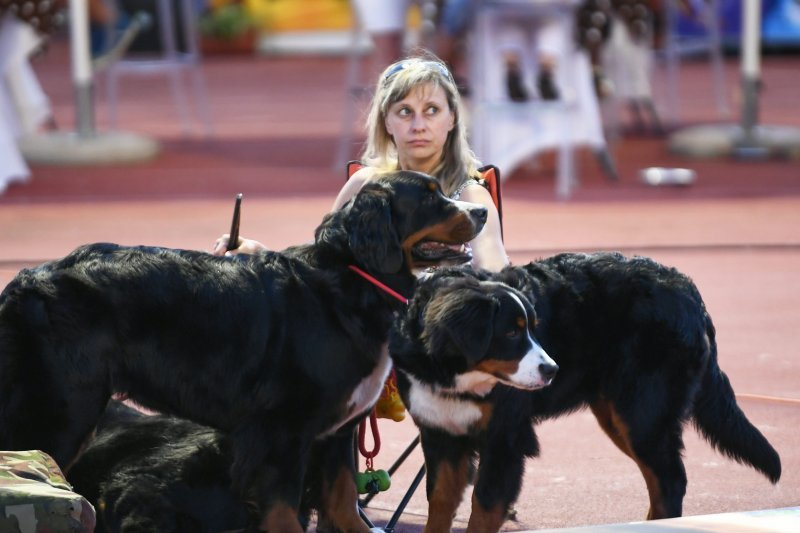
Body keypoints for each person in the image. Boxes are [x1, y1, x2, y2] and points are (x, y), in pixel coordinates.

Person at [213, 55, 507, 273]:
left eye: (431, 110)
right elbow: (319, 265)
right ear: (386, 122)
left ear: (452, 118)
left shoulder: (470, 195)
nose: (419, 125)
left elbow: (495, 276)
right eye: (405, 112)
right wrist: (258, 254)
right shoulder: (365, 184)